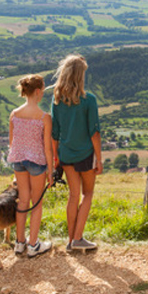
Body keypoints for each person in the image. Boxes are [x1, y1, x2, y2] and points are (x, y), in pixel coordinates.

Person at [51, 54, 103, 252]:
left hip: (65, 154)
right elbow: (94, 132)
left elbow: (54, 133)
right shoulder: (88, 100)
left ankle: (70, 239)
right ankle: (78, 238)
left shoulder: (56, 100)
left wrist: (56, 158)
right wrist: (99, 158)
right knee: (87, 194)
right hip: (85, 154)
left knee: (73, 196)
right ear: (80, 75)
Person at [8, 74, 54, 258]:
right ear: (37, 91)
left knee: (23, 201)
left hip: (18, 161)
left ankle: (19, 242)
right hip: (36, 162)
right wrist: (51, 171)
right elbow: (47, 148)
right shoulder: (44, 117)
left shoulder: (14, 114)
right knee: (37, 203)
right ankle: (33, 244)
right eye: (42, 89)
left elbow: (12, 142)